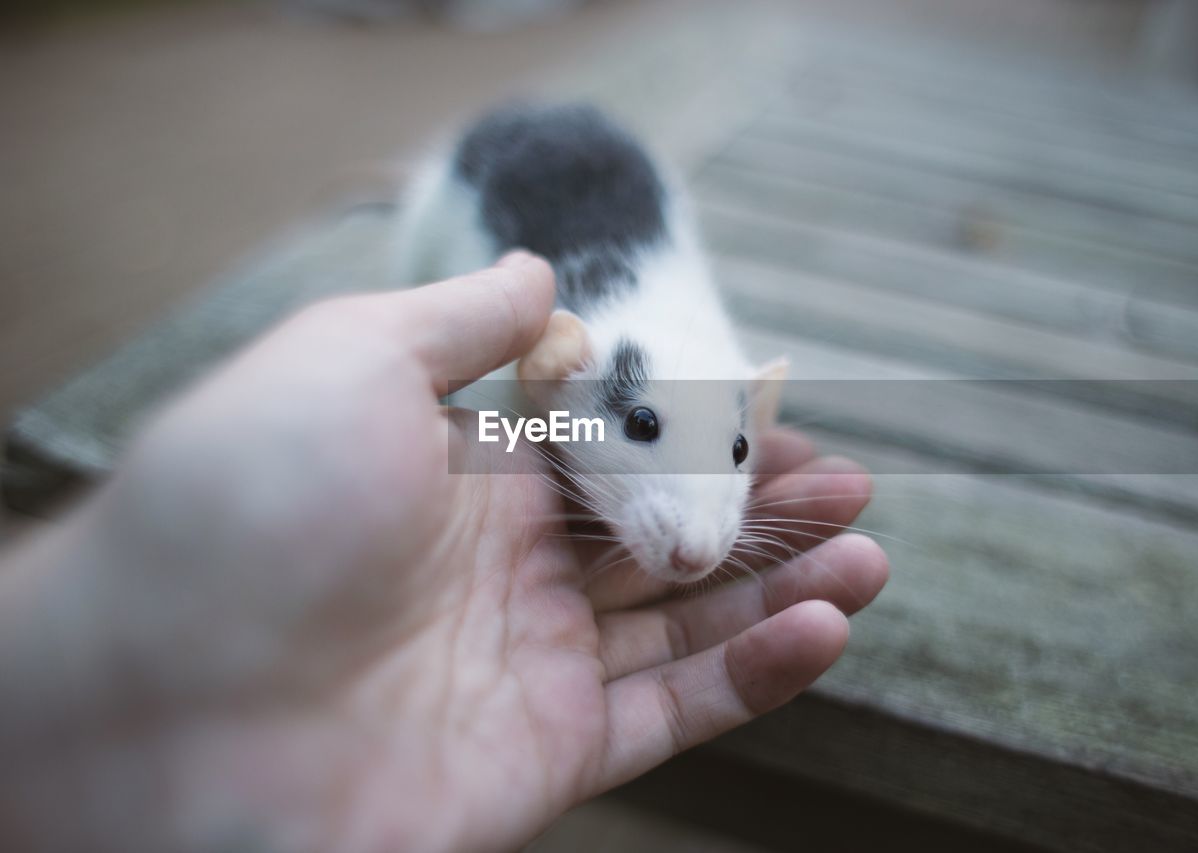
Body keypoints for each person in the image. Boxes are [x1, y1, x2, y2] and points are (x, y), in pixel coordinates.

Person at [0, 252, 888, 852]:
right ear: (555, 375)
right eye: (644, 426)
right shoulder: (558, 364)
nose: (699, 547)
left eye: (737, 453)